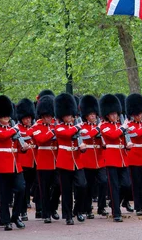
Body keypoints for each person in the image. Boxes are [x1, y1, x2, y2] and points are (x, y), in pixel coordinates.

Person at [0, 95, 28, 231]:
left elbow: (18, 147)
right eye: (4, 116)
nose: (6, 118)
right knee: (5, 195)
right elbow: (1, 136)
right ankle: (5, 220)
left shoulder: (13, 130)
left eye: (7, 116)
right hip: (2, 166)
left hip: (16, 165)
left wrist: (23, 148)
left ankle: (16, 216)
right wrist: (15, 130)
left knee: (21, 189)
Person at [54, 93, 87, 225]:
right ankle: (68, 215)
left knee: (82, 186)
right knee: (66, 190)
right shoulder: (59, 127)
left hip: (77, 161)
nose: (70, 117)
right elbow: (67, 134)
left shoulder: (76, 127)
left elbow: (80, 140)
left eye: (71, 115)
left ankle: (78, 210)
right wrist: (78, 127)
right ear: (62, 116)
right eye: (67, 115)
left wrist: (83, 146)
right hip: (65, 161)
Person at [99, 94, 131, 222]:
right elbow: (112, 136)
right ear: (107, 115)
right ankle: (116, 213)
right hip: (111, 159)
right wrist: (123, 128)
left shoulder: (120, 126)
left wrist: (128, 145)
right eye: (112, 114)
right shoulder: (104, 126)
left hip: (122, 158)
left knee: (127, 185)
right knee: (114, 186)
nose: (115, 116)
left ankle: (114, 203)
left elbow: (122, 140)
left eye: (116, 114)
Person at [32, 95, 60, 223]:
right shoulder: (36, 127)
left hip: (56, 160)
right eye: (46, 116)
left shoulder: (55, 124)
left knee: (58, 185)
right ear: (42, 116)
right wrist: (53, 132)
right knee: (44, 188)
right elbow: (41, 140)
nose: (49, 118)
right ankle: (46, 213)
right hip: (43, 162)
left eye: (50, 116)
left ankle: (53, 207)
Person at [78, 95, 107, 219]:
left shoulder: (99, 126)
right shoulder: (82, 127)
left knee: (104, 182)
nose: (93, 116)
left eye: (94, 114)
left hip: (100, 159)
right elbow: (87, 136)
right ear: (86, 116)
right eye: (91, 114)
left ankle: (101, 207)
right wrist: (98, 130)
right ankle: (88, 209)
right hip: (88, 159)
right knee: (89, 186)